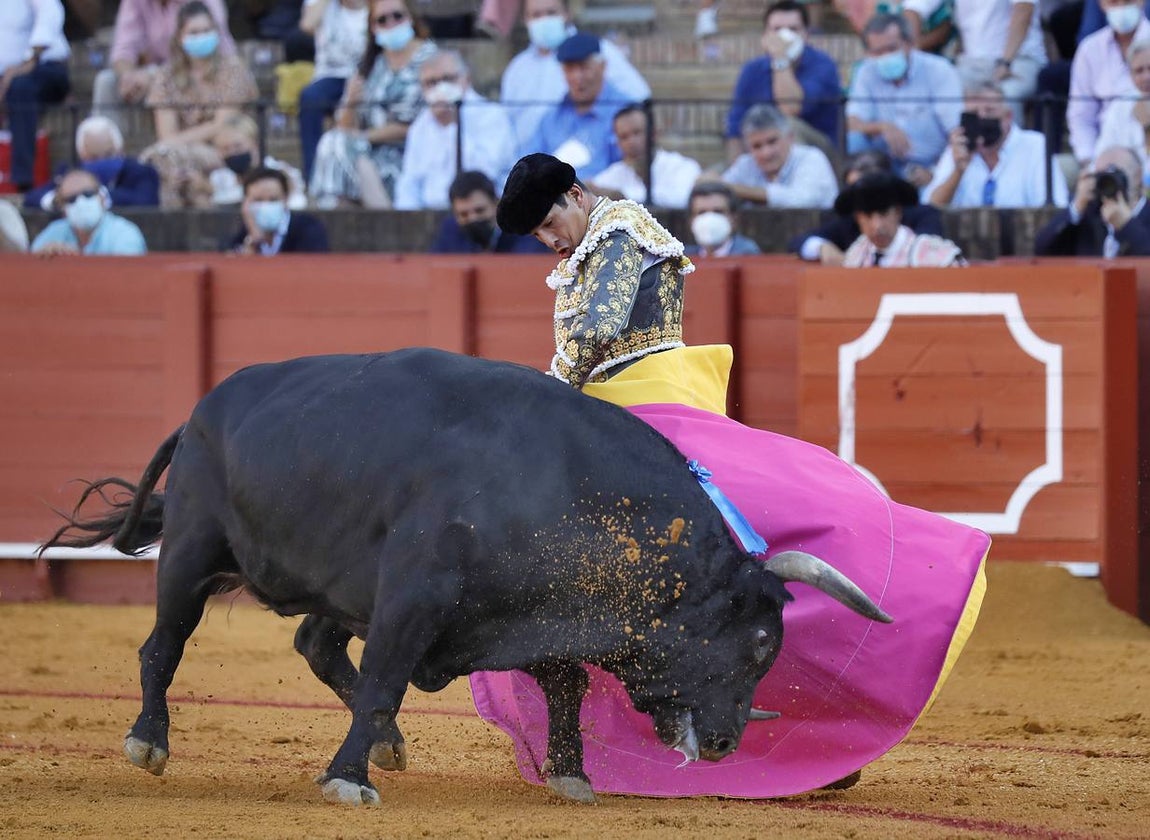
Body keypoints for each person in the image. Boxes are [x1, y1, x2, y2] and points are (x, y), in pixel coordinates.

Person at [481, 150, 988, 800]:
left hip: (646, 415)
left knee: (734, 557)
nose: (549, 242)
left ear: (577, 195)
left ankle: (821, 723)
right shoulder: (583, 248)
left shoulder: (620, 226)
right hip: (603, 417)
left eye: (550, 222)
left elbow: (599, 330)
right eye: (538, 237)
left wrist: (542, 394)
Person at [309, 0, 437, 208]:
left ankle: (374, 217)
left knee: (337, 145)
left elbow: (416, 124)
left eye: (397, 16)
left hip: (411, 156)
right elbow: (345, 127)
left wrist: (362, 137)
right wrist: (351, 100)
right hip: (367, 155)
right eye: (382, 19)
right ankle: (338, 215)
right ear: (373, 27)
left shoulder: (431, 60)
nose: (391, 23)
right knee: (333, 143)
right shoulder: (371, 65)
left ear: (411, 18)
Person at [139, 1, 259, 208]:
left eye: (206, 30)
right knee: (170, 164)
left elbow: (222, 127)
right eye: (194, 32)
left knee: (163, 155)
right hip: (179, 153)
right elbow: (165, 134)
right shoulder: (165, 76)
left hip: (225, 150)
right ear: (179, 37)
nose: (201, 36)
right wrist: (172, 145)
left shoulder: (233, 69)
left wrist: (172, 144)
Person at [500, 0, 650, 153]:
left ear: (566, 14)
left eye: (551, 13)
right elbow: (506, 124)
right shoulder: (517, 68)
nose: (544, 20)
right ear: (525, 19)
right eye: (536, 15)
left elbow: (639, 99)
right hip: (530, 163)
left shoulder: (597, 49)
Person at [846, 13, 963, 185]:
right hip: (885, 162)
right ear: (868, 53)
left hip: (931, 164)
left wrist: (936, 172)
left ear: (909, 44)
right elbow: (852, 121)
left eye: (892, 49)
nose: (885, 56)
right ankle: (865, 193)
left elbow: (955, 130)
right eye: (878, 52)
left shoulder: (939, 70)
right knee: (855, 138)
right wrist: (883, 127)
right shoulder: (866, 71)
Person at [393, 49, 516, 209]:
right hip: (430, 212)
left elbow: (486, 172)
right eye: (431, 83)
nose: (440, 88)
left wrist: (451, 125)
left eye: (448, 79)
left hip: (482, 212)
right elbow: (410, 182)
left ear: (466, 78)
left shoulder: (491, 115)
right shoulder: (420, 126)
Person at [724, 0, 842, 162]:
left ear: (806, 34)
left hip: (818, 153)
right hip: (760, 156)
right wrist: (736, 173)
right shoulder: (752, 70)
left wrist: (780, 58)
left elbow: (790, 108)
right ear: (765, 35)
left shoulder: (823, 66)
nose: (784, 37)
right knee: (710, 181)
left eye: (793, 29)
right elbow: (736, 127)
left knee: (786, 127)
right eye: (777, 29)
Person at [92, 0, 236, 131]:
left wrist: (153, 74)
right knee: (107, 81)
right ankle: (105, 151)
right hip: (154, 76)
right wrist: (128, 75)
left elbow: (201, 56)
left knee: (167, 85)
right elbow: (124, 48)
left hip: (203, 72)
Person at [925, 81, 1069, 207]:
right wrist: (958, 171)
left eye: (989, 111)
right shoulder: (958, 150)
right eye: (974, 113)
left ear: (1008, 117)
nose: (981, 117)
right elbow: (930, 208)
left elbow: (1055, 206)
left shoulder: (1034, 145)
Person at [790, 149, 945, 264]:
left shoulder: (920, 216)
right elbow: (798, 241)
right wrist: (822, 247)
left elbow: (930, 250)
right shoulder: (850, 221)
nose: (876, 225)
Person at [903, 0, 1046, 121]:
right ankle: (954, 152)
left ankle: (1013, 152)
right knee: (943, 94)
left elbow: (1023, 11)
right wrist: (912, 53)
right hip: (972, 63)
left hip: (1019, 59)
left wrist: (1005, 62)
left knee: (1007, 96)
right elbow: (912, 10)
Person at [523, 33, 627, 182]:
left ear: (602, 67)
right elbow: (529, 166)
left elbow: (630, 173)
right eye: (569, 69)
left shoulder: (625, 112)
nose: (577, 77)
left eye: (584, 68)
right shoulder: (551, 118)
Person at [1067, 0, 1150, 164]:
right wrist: (1089, 161)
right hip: (1104, 152)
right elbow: (1081, 116)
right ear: (1101, 4)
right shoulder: (1089, 49)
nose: (1121, 7)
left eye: (1127, 1)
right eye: (1113, 1)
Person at [0, 0, 71, 192]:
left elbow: (51, 11)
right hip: (6, 77)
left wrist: (30, 58)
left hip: (45, 67)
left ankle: (23, 182)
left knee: (20, 88)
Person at [713, 103, 839, 209]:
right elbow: (718, 192)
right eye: (757, 146)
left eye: (772, 142)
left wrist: (737, 190)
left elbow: (803, 200)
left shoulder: (811, 158)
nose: (766, 153)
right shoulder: (746, 164)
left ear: (790, 137)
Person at [297, 0, 369, 184]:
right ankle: (313, 175)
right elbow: (307, 24)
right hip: (331, 77)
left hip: (368, 75)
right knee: (310, 97)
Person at [23, 116, 161, 211]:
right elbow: (31, 198)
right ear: (82, 155)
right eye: (94, 158)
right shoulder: (71, 172)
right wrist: (58, 199)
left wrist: (96, 194)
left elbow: (146, 201)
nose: (102, 161)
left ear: (120, 150)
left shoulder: (142, 172)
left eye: (108, 155)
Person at [1034, 144, 1150, 254]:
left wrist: (1127, 225)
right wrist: (1076, 207)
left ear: (1137, 175)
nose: (1108, 183)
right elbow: (1042, 249)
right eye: (1101, 176)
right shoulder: (1090, 215)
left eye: (1115, 174)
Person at [835, 171, 967, 266]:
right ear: (858, 218)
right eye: (868, 217)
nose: (877, 226)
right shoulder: (857, 254)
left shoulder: (932, 253)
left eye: (883, 214)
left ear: (898, 213)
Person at [588, 105, 702, 210]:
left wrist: (622, 196)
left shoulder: (681, 166)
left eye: (637, 133)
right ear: (618, 143)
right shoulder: (615, 172)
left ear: (653, 134)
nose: (631, 142)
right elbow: (594, 191)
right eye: (624, 137)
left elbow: (682, 198)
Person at [30, 169, 148, 256]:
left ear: (101, 198)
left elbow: (127, 273)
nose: (81, 202)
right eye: (71, 199)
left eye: (88, 194)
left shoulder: (124, 233)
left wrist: (77, 259)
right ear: (64, 210)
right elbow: (30, 266)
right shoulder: (54, 232)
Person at [430, 169, 550, 253]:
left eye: (479, 210)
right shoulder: (450, 231)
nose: (473, 218)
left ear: (496, 204)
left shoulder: (521, 228)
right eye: (463, 214)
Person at [208, 113, 308, 208]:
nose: (232, 153)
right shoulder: (218, 178)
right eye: (225, 149)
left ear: (254, 143)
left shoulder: (281, 172)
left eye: (237, 146)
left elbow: (298, 204)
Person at [225, 167, 330, 254]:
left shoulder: (309, 229)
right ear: (246, 202)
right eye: (258, 200)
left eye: (273, 199)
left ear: (286, 198)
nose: (265, 205)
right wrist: (253, 243)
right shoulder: (241, 234)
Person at [1096, 38, 1150, 181]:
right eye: (1139, 71)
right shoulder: (1120, 106)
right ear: (1130, 76)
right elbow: (1102, 154)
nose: (1147, 77)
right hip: (1127, 186)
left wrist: (1147, 128)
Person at [684, 182, 762, 257]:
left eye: (718, 212)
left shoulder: (748, 254)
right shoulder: (682, 259)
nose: (710, 219)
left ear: (733, 219)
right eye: (702, 212)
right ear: (691, 221)